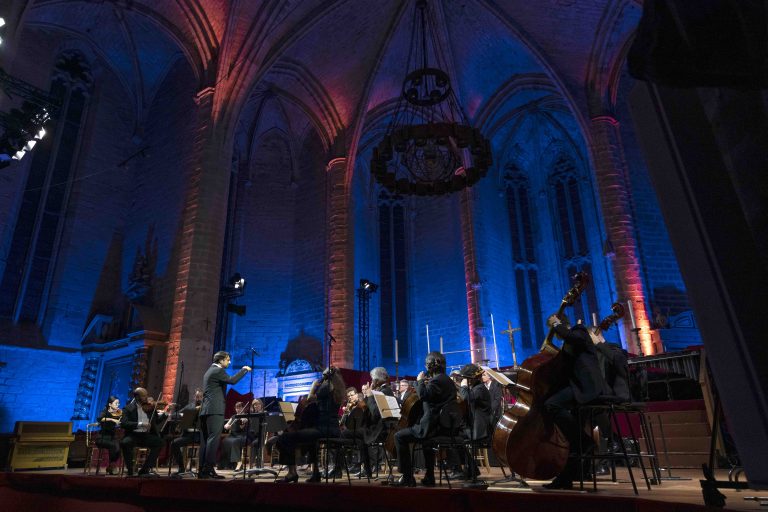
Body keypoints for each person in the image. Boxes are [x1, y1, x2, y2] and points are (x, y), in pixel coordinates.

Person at [543, 315, 607, 490]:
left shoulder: (578, 331)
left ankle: (584, 441)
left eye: (557, 330)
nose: (556, 334)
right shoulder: (569, 344)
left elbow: (571, 337)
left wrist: (556, 324)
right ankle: (565, 478)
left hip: (587, 388)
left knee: (552, 405)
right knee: (574, 439)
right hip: (580, 388)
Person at [393, 351, 457, 487]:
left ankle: (407, 476)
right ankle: (429, 476)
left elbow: (423, 395)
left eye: (426, 364)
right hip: (442, 426)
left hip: (431, 427)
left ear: (430, 365)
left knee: (399, 436)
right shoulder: (447, 380)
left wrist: (420, 381)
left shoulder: (437, 380)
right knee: (427, 443)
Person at [274, 367, 345, 483]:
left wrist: (313, 386)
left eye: (324, 375)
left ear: (327, 375)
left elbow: (310, 398)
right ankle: (316, 473)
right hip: (333, 429)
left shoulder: (328, 385)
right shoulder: (336, 387)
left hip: (323, 428)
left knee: (285, 437)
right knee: (312, 442)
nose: (322, 377)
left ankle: (292, 473)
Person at [199, 351, 251, 479]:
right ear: (221, 360)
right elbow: (232, 381)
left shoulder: (209, 371)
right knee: (213, 439)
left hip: (205, 410)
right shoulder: (217, 371)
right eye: (227, 359)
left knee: (206, 440)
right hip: (214, 409)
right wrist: (244, 370)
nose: (229, 362)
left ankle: (203, 470)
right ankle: (209, 469)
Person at [119, 387, 172, 477]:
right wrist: (140, 424)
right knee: (125, 443)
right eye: (144, 396)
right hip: (133, 435)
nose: (147, 398)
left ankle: (145, 469)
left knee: (160, 443)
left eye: (146, 395)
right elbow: (124, 423)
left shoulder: (150, 408)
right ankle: (130, 470)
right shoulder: (128, 408)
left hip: (145, 435)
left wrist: (166, 413)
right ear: (137, 397)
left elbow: (157, 421)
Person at [456, 364, 492, 480]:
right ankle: (469, 469)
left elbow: (467, 398)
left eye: (466, 378)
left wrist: (463, 386)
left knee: (455, 440)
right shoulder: (477, 388)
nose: (465, 381)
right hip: (475, 427)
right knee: (455, 439)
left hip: (480, 431)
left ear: (473, 379)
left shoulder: (480, 389)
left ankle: (470, 470)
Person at [169, 388, 203, 476]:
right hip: (187, 434)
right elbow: (175, 415)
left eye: (199, 397)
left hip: (197, 435)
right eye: (196, 396)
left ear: (202, 397)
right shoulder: (190, 406)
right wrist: (181, 415)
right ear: (193, 397)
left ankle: (200, 468)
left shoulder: (204, 407)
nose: (197, 398)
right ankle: (181, 467)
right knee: (174, 443)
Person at [96, 396, 122, 475]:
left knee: (119, 447)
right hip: (102, 437)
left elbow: (121, 421)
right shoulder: (105, 411)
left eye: (118, 403)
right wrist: (112, 419)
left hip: (112, 437)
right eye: (116, 403)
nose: (118, 405)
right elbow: (100, 419)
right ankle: (112, 466)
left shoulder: (117, 412)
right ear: (110, 404)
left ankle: (111, 466)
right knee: (113, 446)